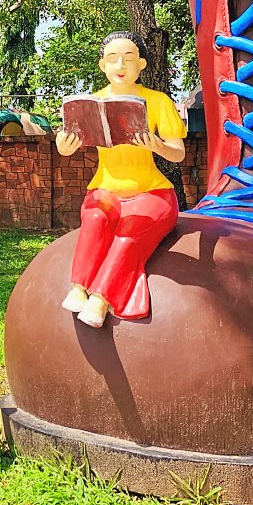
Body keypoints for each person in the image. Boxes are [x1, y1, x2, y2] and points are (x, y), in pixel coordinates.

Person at [55, 32, 187, 328]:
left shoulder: (157, 101)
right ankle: (78, 287)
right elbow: (64, 147)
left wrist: (157, 145)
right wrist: (66, 143)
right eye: (113, 58)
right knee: (95, 218)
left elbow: (177, 153)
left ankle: (101, 299)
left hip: (151, 191)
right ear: (102, 65)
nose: (120, 64)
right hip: (106, 188)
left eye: (128, 58)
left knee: (129, 233)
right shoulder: (93, 102)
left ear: (141, 64)